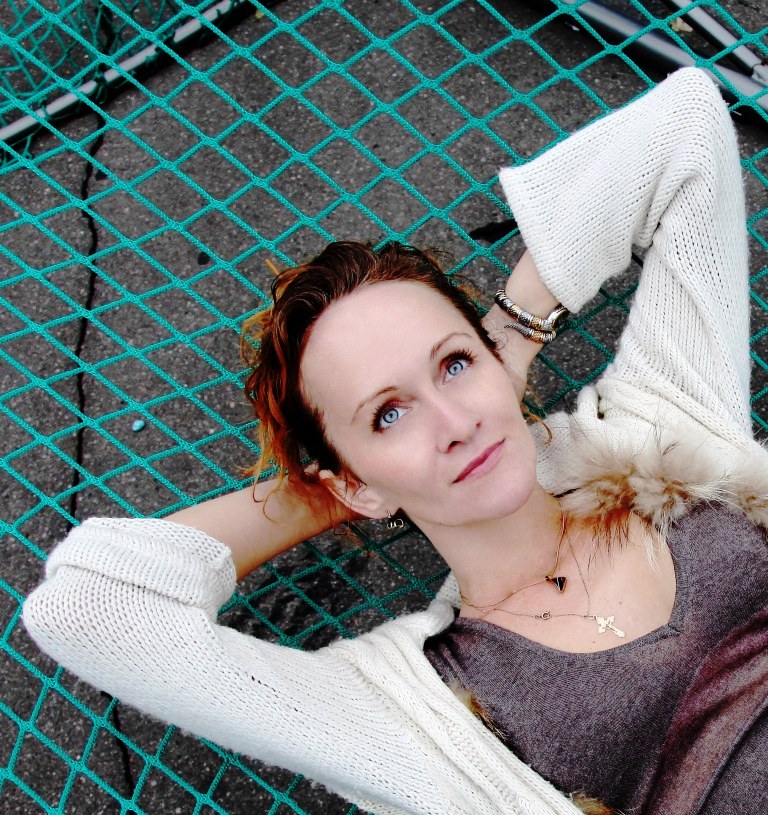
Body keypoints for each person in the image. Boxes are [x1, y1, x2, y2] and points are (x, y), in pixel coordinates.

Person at [22, 66, 768, 815]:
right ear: (355, 481)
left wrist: (510, 332)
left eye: (454, 364)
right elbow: (87, 606)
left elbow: (685, 124)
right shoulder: (409, 713)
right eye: (388, 415)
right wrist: (329, 492)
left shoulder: (663, 423)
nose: (455, 422)